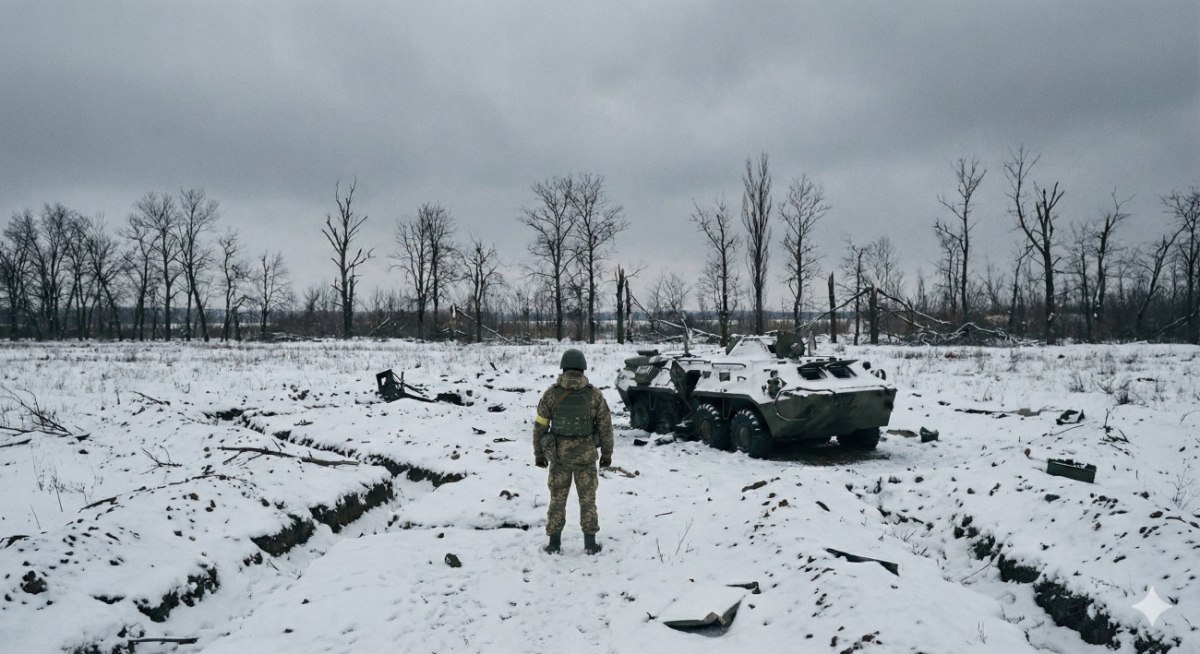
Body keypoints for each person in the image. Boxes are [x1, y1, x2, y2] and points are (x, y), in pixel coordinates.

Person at [533, 348, 613, 554]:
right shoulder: (594, 395)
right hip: (586, 457)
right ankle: (590, 544)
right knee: (588, 501)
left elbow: (540, 426)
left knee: (557, 500)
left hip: (559, 457)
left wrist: (539, 454)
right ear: (583, 369)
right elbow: (605, 426)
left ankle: (553, 544)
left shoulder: (551, 395)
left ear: (563, 368)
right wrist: (606, 454)